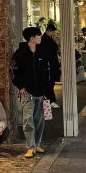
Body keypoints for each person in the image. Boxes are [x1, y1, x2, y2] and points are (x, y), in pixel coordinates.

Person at [10, 26, 52, 159]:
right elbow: (13, 71)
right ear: (31, 38)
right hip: (27, 92)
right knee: (28, 119)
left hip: (41, 92)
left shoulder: (42, 52)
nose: (40, 38)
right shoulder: (20, 53)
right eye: (38, 36)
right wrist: (20, 86)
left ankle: (37, 143)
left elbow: (47, 70)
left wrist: (47, 87)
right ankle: (30, 146)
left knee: (39, 120)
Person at [40, 22, 61, 108]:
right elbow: (52, 50)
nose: (54, 34)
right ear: (49, 31)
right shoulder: (45, 40)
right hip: (49, 65)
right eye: (53, 32)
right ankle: (50, 100)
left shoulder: (48, 39)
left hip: (51, 64)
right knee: (49, 83)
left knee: (50, 83)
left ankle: (49, 101)